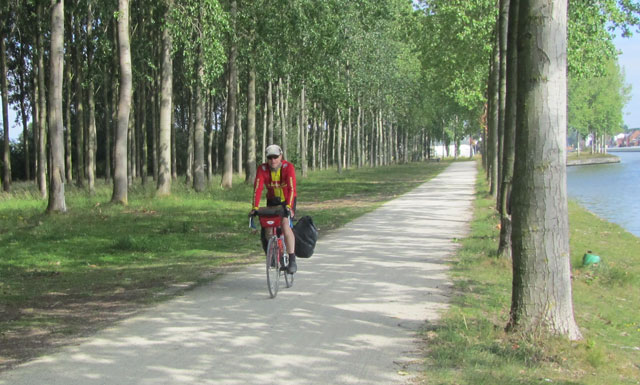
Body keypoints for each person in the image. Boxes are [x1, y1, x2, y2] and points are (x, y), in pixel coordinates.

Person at [250, 144, 298, 273]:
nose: (273, 160)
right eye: (270, 157)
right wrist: (255, 207)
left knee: (284, 225)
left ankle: (292, 259)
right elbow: (258, 188)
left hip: (288, 200)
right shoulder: (263, 168)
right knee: (268, 229)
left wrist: (289, 206)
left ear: (281, 156)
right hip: (272, 201)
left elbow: (292, 188)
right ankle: (275, 254)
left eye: (275, 157)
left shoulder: (288, 167)